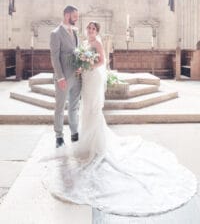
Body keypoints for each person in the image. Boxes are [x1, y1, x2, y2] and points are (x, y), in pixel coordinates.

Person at [44, 21, 197, 217]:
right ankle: (86, 140)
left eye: (93, 29)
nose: (90, 31)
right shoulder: (83, 42)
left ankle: (96, 144)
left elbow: (101, 62)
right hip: (87, 78)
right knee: (86, 108)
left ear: (97, 31)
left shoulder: (97, 43)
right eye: (89, 28)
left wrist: (88, 63)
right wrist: (82, 66)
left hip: (95, 77)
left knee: (93, 109)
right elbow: (81, 59)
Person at [50, 5, 81, 148]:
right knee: (60, 107)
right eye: (75, 16)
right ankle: (59, 136)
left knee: (74, 106)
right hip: (63, 77)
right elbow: (55, 57)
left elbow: (77, 52)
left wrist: (81, 65)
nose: (77, 19)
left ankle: (74, 132)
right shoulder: (55, 33)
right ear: (67, 15)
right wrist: (60, 77)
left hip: (77, 75)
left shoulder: (75, 32)